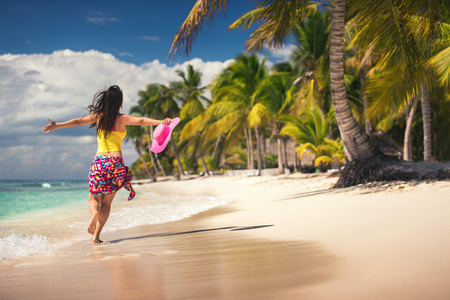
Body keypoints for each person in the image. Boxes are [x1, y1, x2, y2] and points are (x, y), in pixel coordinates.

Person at [42, 85, 172, 244]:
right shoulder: (122, 119)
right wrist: (162, 122)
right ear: (120, 103)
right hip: (116, 163)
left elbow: (77, 121)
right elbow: (143, 120)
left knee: (93, 198)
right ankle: (96, 236)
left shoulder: (98, 116)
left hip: (99, 162)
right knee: (107, 203)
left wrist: (57, 125)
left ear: (105, 100)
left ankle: (93, 215)